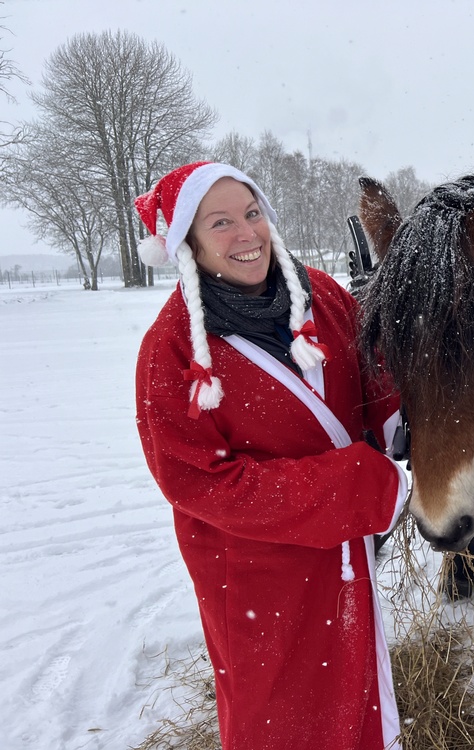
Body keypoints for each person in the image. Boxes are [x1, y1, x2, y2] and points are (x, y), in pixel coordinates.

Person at [133, 162, 408, 750]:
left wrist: (420, 423)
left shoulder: (321, 295)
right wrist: (358, 486)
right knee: (280, 716)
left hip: (343, 553)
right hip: (257, 577)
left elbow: (375, 379)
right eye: (221, 223)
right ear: (186, 242)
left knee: (356, 694)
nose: (247, 234)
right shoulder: (172, 346)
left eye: (253, 214)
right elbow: (201, 483)